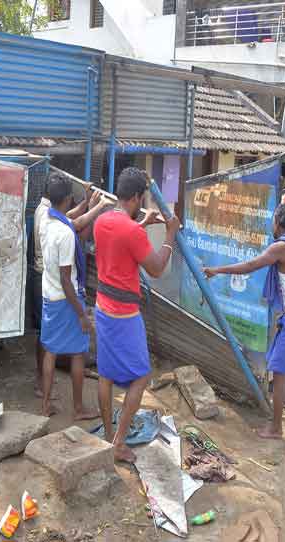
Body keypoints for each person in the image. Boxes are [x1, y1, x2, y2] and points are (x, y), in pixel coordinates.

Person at [204, 204, 285, 440]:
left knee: (279, 369)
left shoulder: (282, 247)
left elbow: (251, 265)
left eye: (273, 221)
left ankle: (276, 428)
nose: (272, 225)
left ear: (278, 223)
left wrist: (217, 270)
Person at [93, 167, 179, 463]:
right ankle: (118, 444)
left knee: (105, 375)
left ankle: (107, 436)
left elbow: (122, 240)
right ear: (138, 197)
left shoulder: (102, 219)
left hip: (102, 307)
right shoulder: (131, 231)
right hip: (123, 314)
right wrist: (169, 234)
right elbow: (155, 268)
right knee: (141, 377)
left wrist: (142, 223)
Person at [31, 176, 105, 398]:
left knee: (50, 348)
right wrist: (82, 314)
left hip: (49, 293)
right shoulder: (65, 233)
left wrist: (87, 203)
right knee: (78, 353)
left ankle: (45, 403)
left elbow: (70, 218)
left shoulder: (46, 217)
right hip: (66, 297)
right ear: (67, 199)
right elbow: (75, 224)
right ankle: (79, 407)